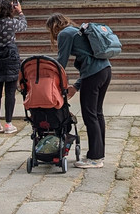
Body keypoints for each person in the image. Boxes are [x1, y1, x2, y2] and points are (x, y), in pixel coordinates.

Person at [46, 12, 111, 168]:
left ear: (54, 27)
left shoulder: (64, 34)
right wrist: (76, 86)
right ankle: (98, 154)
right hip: (105, 70)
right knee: (97, 113)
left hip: (93, 74)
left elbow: (61, 62)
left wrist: (50, 79)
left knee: (90, 115)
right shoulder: (77, 30)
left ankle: (95, 158)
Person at [0, 0, 27, 133]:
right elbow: (24, 26)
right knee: (10, 92)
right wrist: (20, 12)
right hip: (10, 57)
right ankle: (8, 123)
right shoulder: (12, 23)